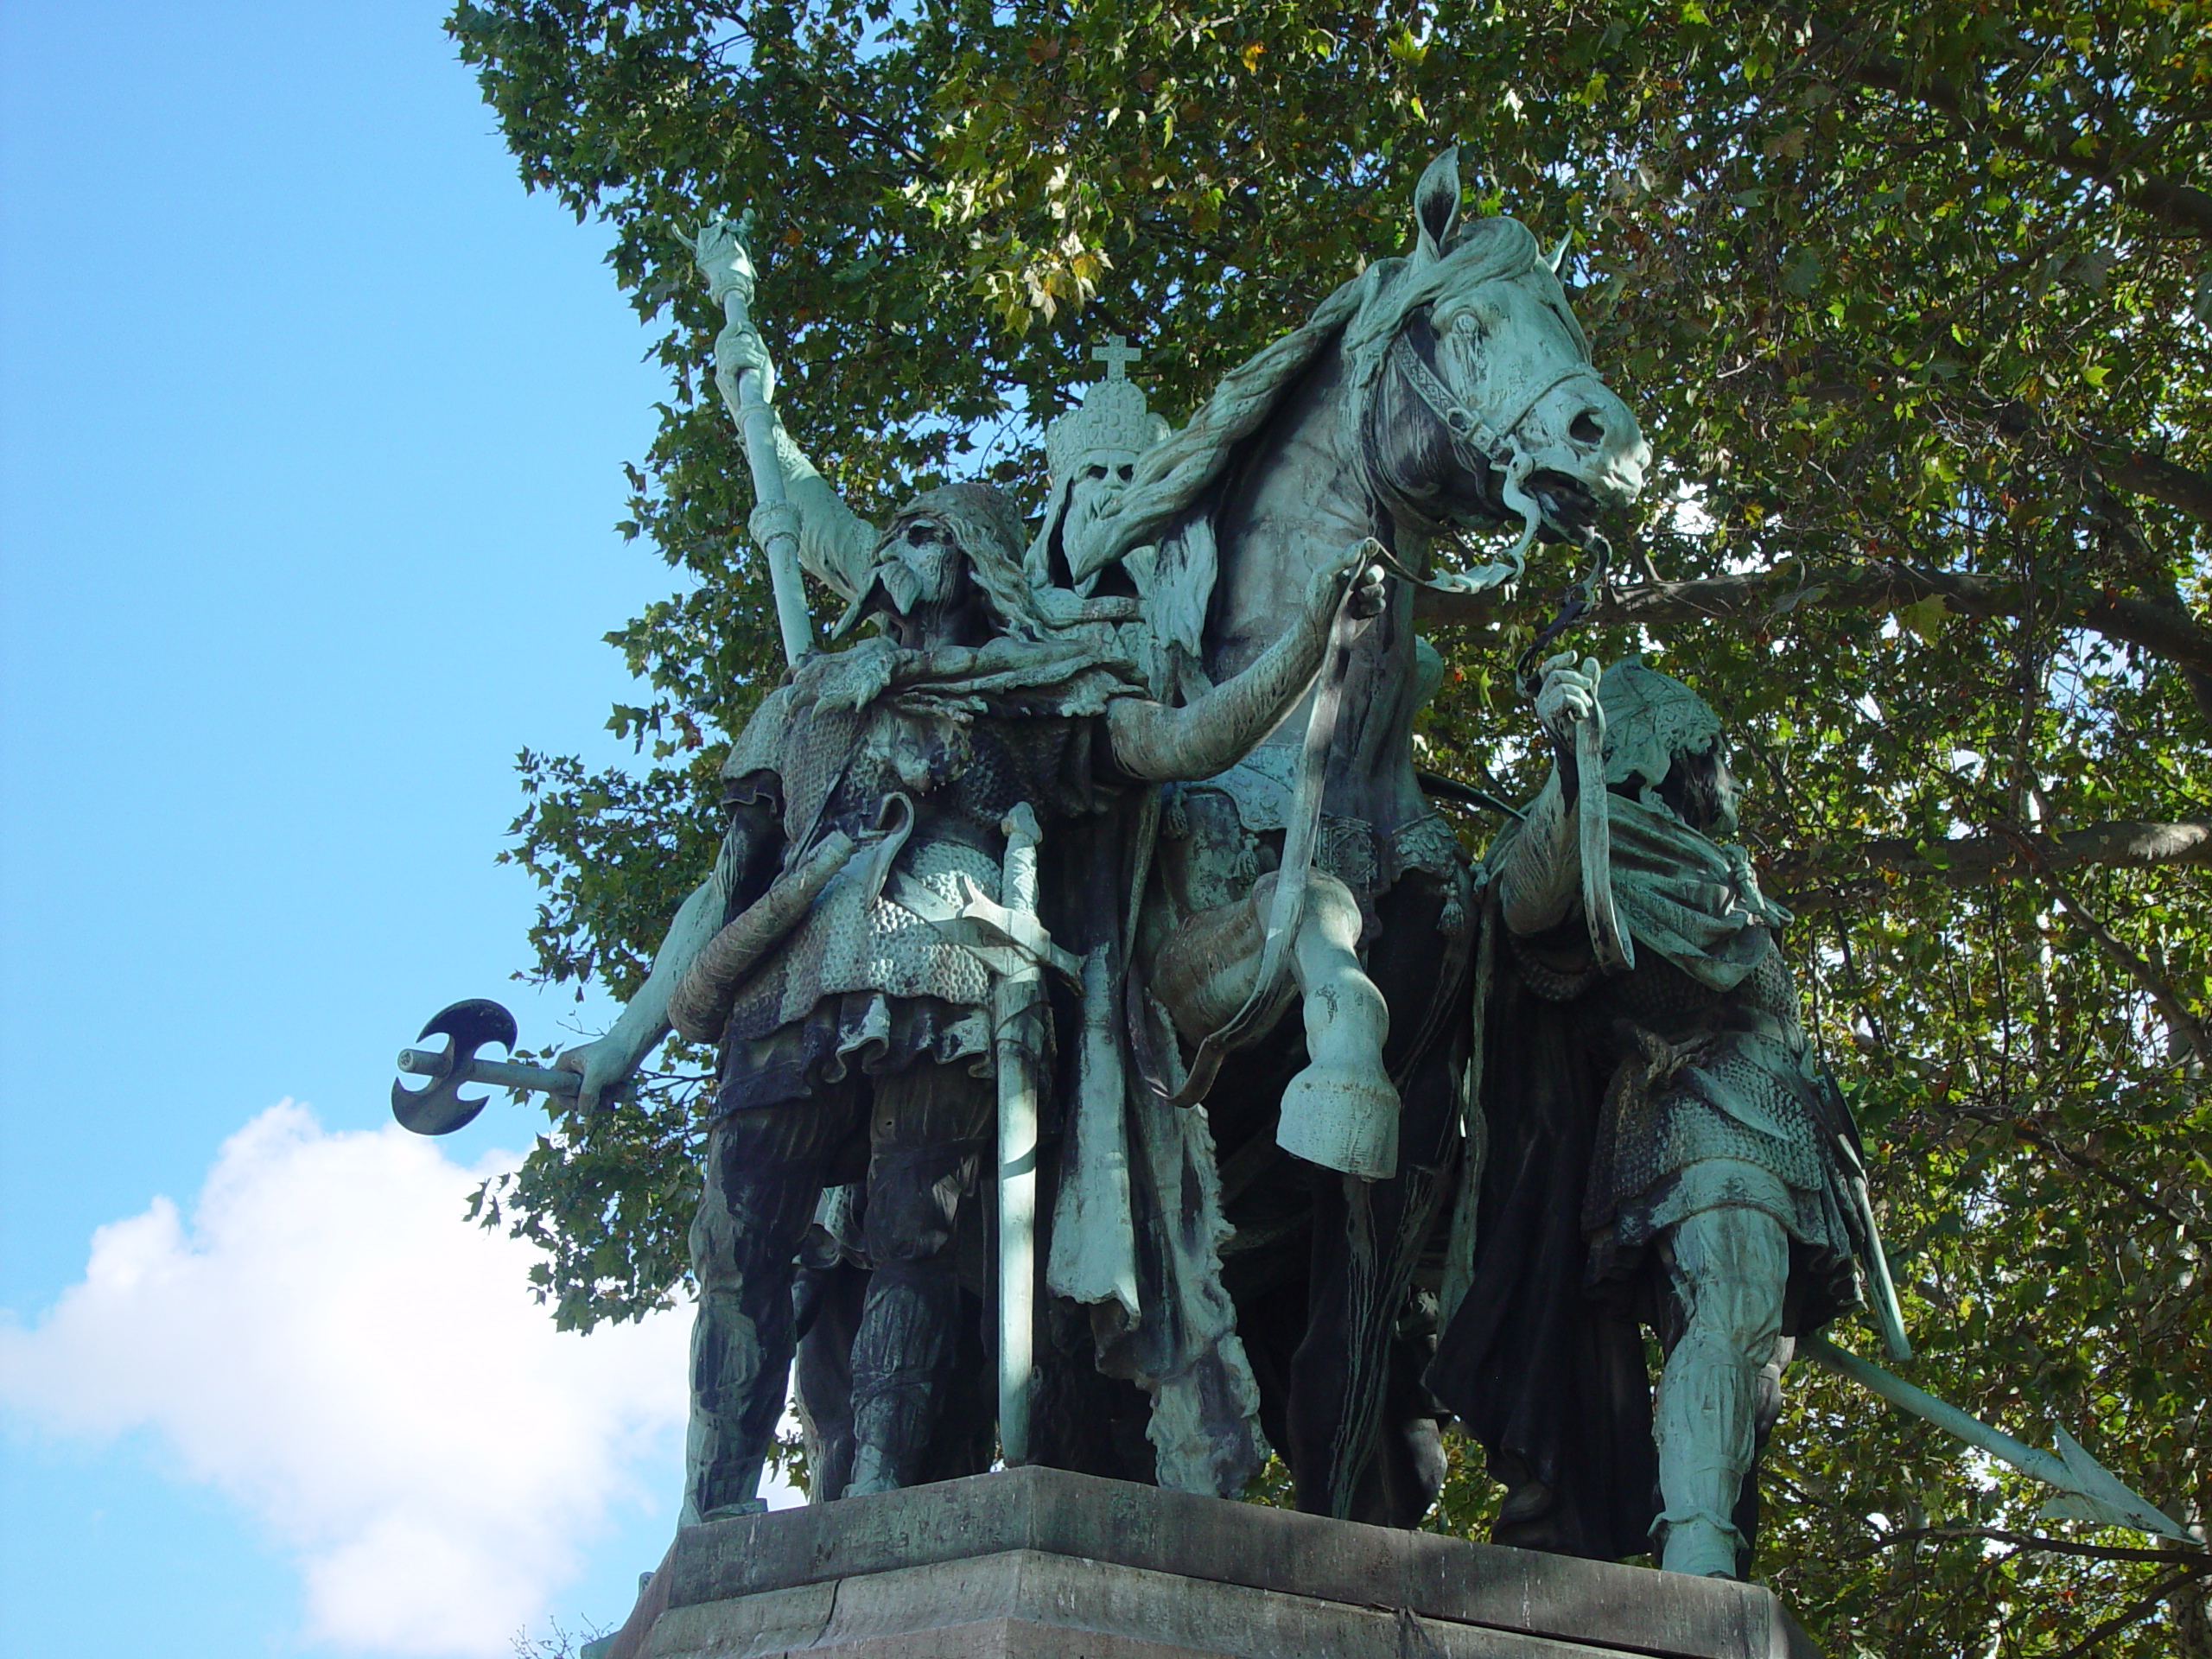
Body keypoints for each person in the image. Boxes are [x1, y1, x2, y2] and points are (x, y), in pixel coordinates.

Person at [556, 320, 1381, 1524]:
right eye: (895, 536)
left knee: (918, 1243)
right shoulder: (800, 710)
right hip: (786, 990)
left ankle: (885, 1487)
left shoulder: (1037, 694)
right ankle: (711, 1513)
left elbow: (1182, 743)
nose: (899, 551)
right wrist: (621, 1041)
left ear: (981, 559)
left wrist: (1312, 641)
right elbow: (723, 887)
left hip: (956, 976)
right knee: (740, 1252)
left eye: (928, 532)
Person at [1429, 655, 1903, 1577]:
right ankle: (1696, 1557)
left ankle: (1702, 1536)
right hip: (1691, 1113)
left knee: (1749, 1358)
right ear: (1665, 757)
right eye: (1716, 752)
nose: (1728, 773)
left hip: (1784, 1137)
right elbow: (1527, 905)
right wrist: (1573, 755)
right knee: (1725, 1310)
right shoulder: (1614, 834)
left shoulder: (1731, 870)